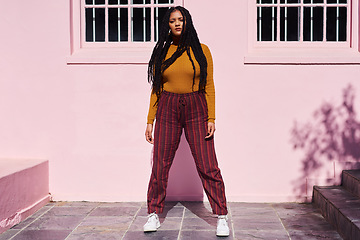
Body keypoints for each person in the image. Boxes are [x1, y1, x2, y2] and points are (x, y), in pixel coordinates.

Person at [144, 6, 229, 237]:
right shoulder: (162, 51)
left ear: (187, 21)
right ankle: (153, 213)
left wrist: (211, 117)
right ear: (168, 25)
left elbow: (209, 85)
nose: (177, 24)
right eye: (173, 21)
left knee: (207, 164)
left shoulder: (201, 50)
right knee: (160, 164)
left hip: (196, 107)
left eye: (181, 19)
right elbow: (156, 89)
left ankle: (221, 216)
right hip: (167, 108)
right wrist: (150, 120)